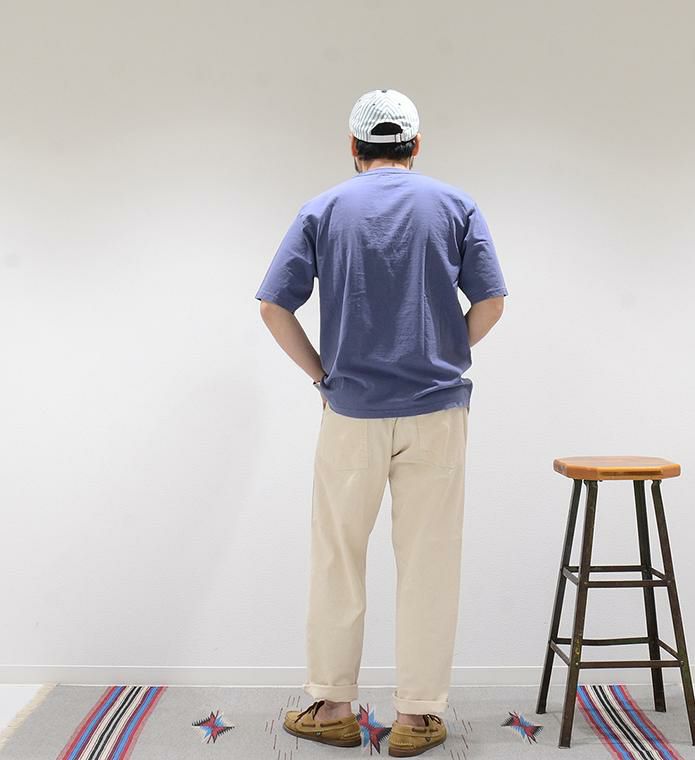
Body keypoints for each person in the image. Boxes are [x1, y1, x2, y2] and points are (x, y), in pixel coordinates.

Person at [256, 88, 508, 757]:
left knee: (338, 558)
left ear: (353, 147)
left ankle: (332, 706)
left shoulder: (323, 209)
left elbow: (273, 306)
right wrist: (443, 352)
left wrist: (321, 376)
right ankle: (417, 716)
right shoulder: (455, 206)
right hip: (437, 412)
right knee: (429, 562)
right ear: (416, 145)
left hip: (351, 413)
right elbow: (491, 301)